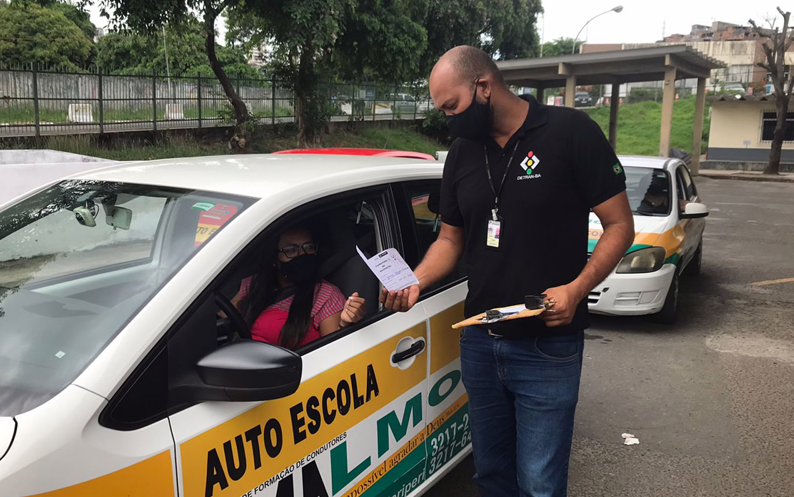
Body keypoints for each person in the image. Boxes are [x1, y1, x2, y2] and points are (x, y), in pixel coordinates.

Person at [380, 46, 635, 497]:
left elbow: (619, 225)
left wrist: (577, 289)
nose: (449, 120)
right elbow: (449, 240)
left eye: (452, 107)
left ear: (484, 87)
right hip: (481, 339)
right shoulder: (461, 152)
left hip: (548, 346)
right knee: (492, 475)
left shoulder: (571, 132)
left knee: (539, 483)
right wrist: (415, 280)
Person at [235, 226, 366, 349]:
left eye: (308, 247)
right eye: (291, 250)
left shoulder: (325, 295)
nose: (302, 254)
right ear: (275, 259)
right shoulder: (255, 284)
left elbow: (333, 349)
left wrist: (344, 324)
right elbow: (222, 322)